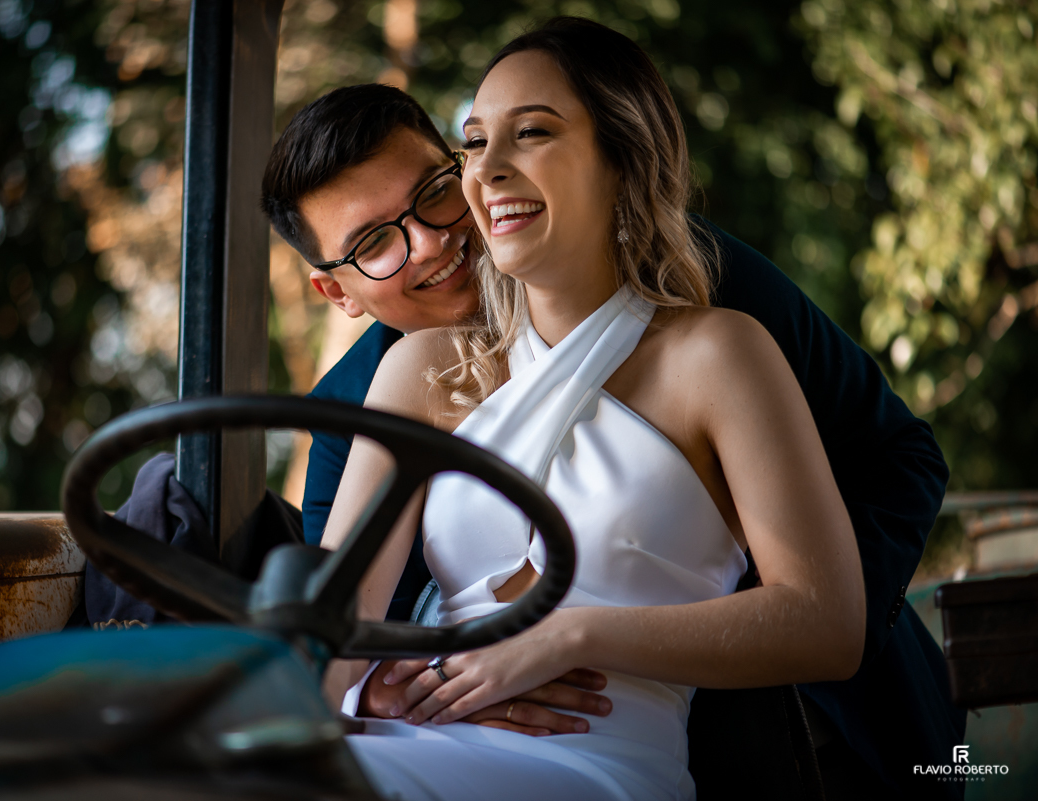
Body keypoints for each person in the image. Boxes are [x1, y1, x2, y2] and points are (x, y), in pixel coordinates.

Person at [261, 18, 962, 800]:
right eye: (376, 244)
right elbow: (338, 624)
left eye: (432, 191)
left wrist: (639, 637)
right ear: (337, 291)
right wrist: (364, 689)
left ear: (619, 154)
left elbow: (838, 580)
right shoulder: (402, 377)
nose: (431, 241)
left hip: (655, 739)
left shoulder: (722, 324)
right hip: (429, 730)